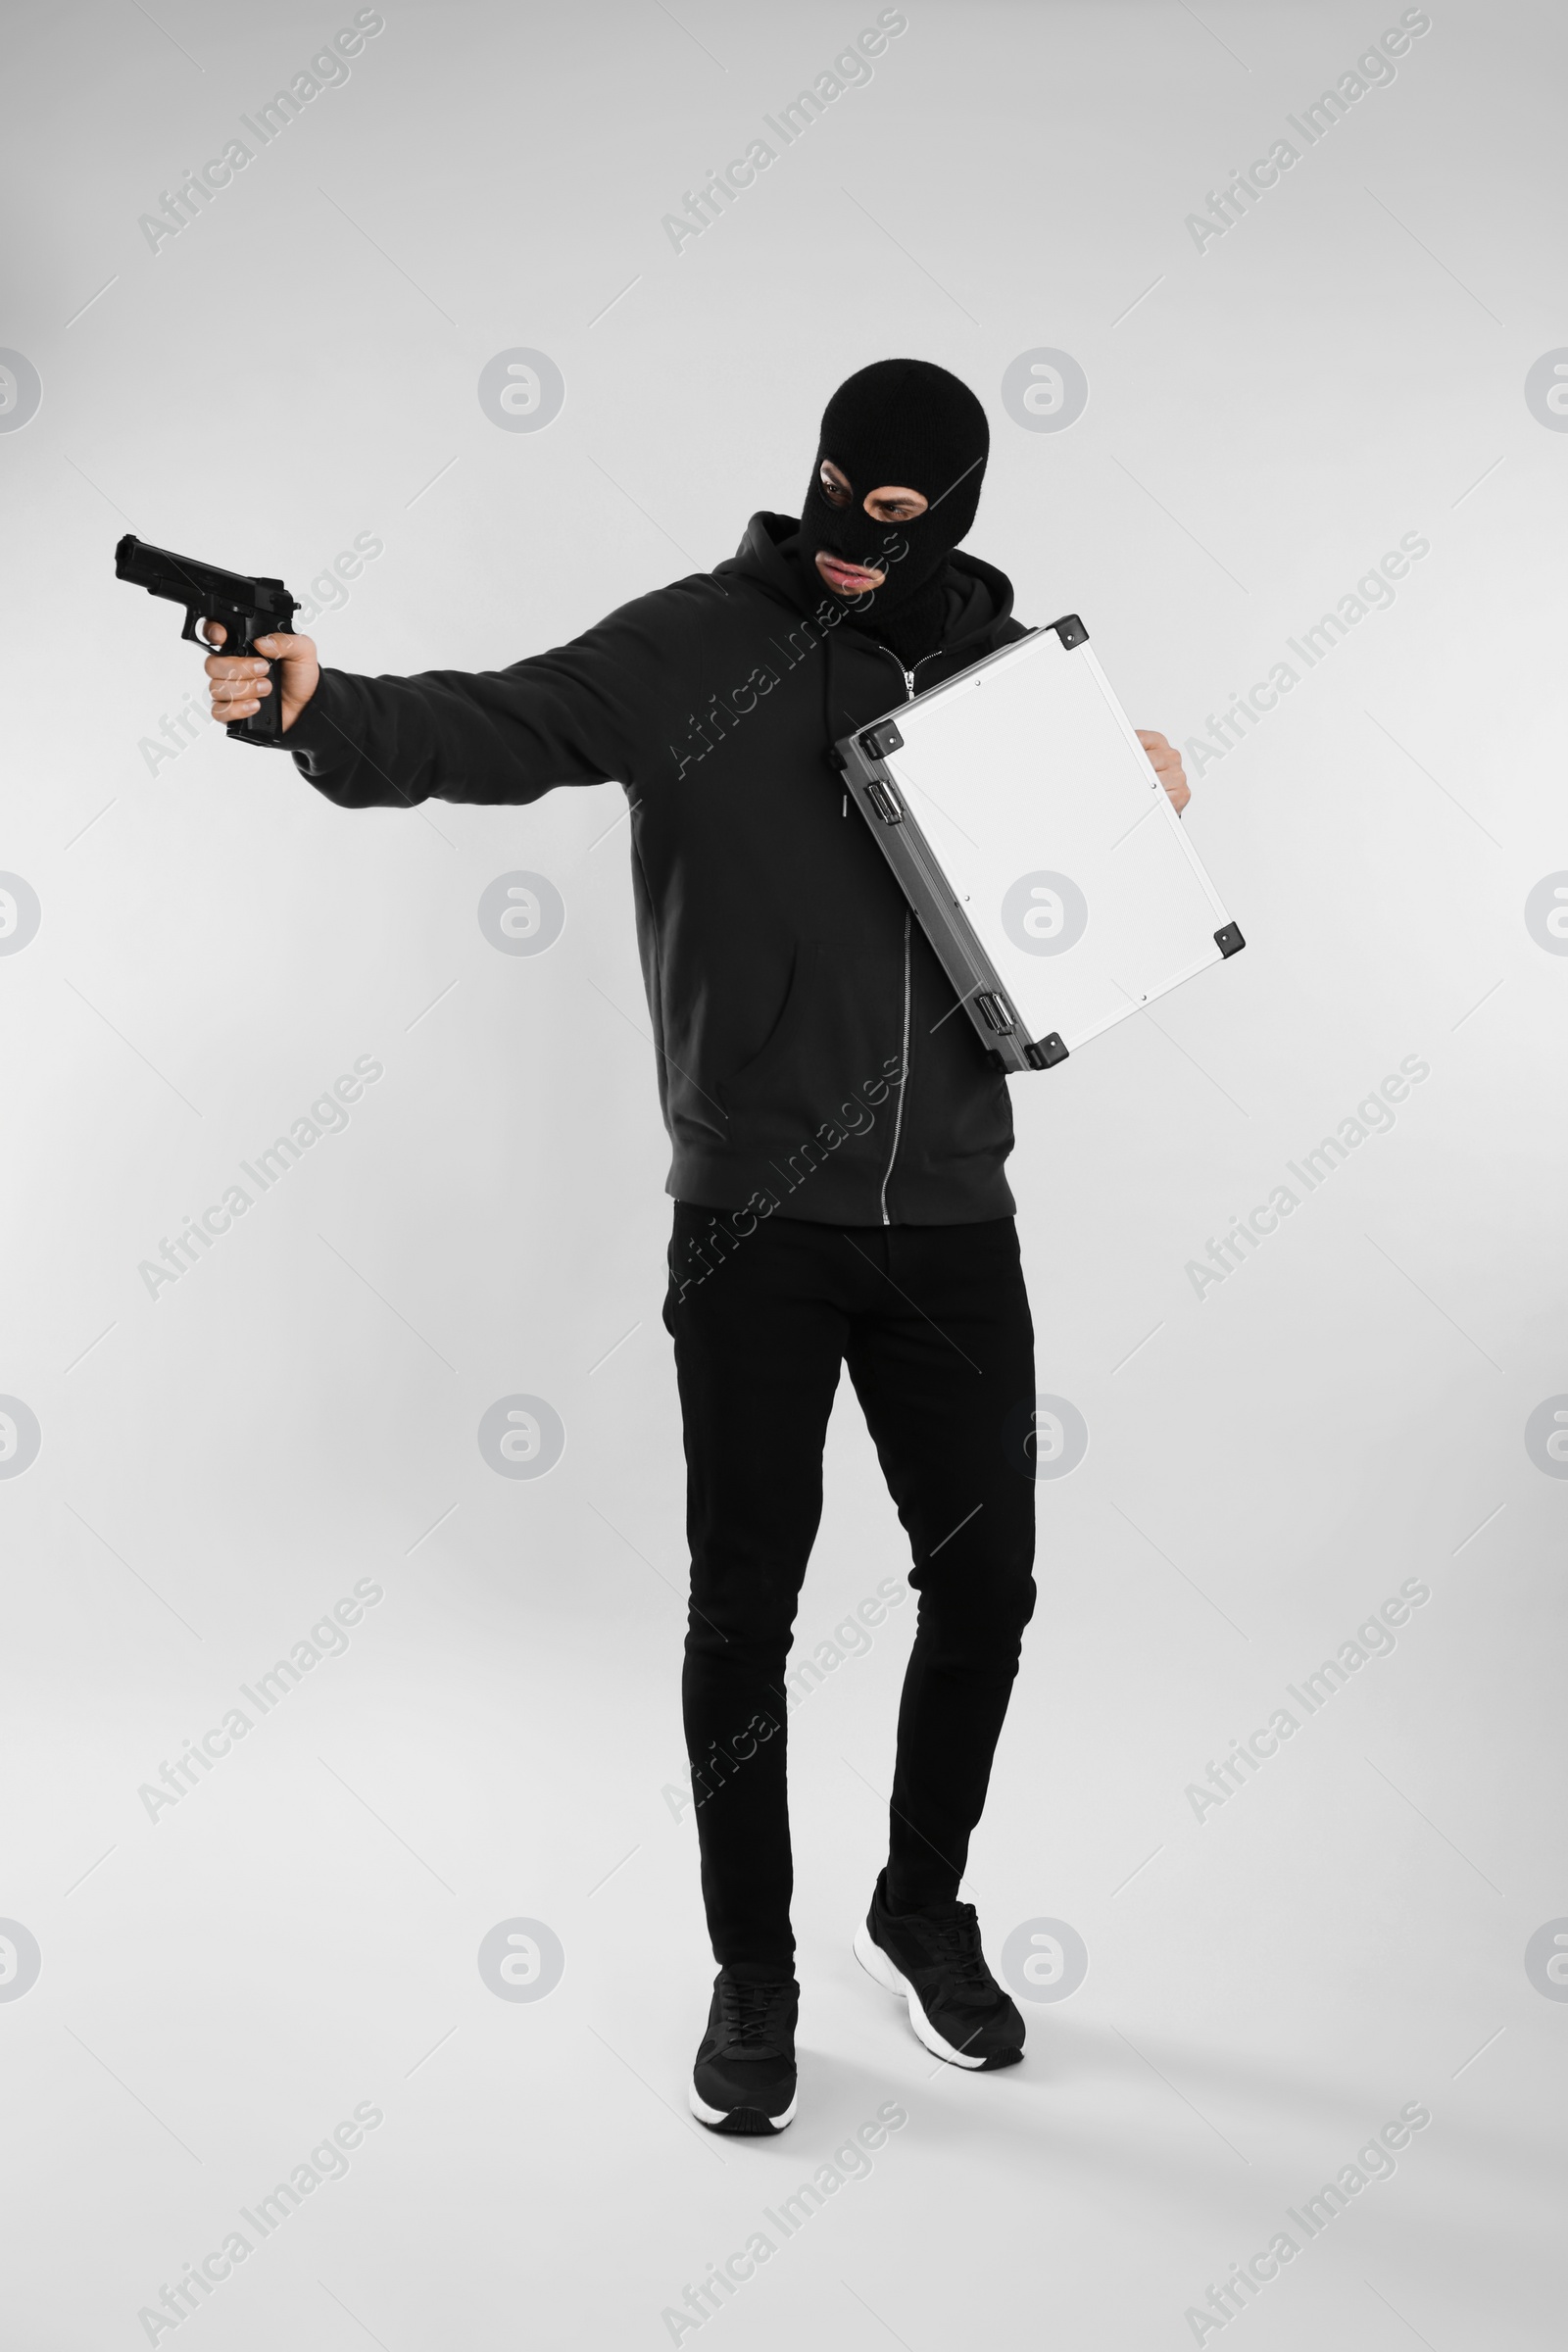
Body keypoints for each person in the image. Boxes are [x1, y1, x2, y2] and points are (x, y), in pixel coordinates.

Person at [204, 358, 1190, 2134]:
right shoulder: (689, 647)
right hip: (752, 1223)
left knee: (987, 1593)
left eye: (892, 528)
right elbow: (488, 724)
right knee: (744, 1610)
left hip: (957, 1219)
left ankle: (919, 1906)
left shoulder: (1003, 673)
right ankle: (757, 1971)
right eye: (832, 507)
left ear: (953, 515)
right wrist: (309, 707)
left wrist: (1135, 799)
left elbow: (1091, 900)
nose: (850, 553)